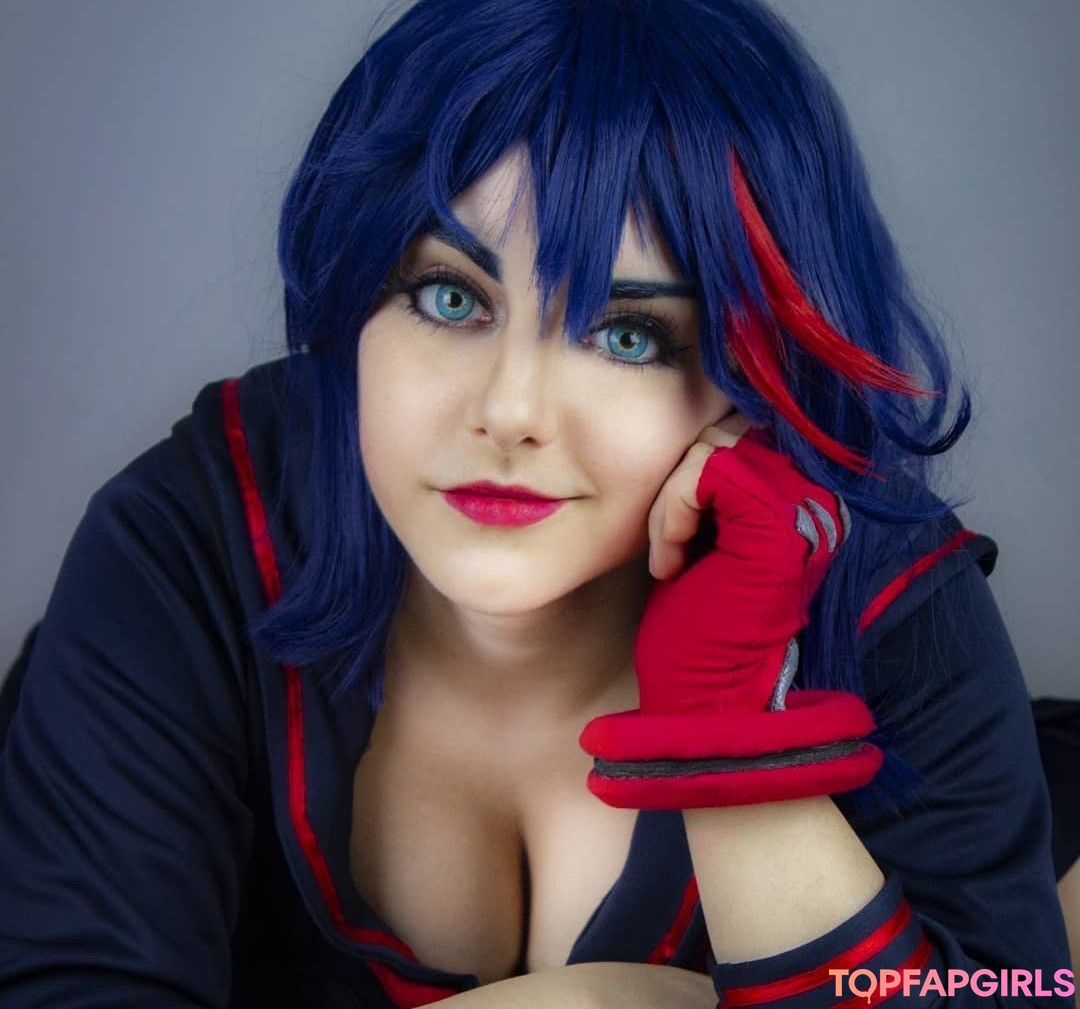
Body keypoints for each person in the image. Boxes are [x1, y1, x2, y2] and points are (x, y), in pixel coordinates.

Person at [0, 0, 1072, 1006]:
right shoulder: (196, 532)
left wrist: (724, 720)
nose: (510, 412)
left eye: (627, 335)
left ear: (755, 376)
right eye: (449, 297)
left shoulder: (872, 571)